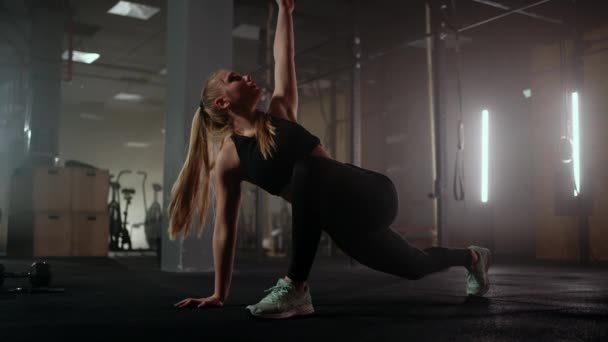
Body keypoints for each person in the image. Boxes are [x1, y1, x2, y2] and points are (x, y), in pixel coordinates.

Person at [170, 0, 491, 319]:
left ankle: (295, 288)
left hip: (370, 194)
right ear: (223, 102)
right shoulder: (230, 160)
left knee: (306, 170)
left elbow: (284, 57)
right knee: (415, 266)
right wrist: (218, 294)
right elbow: (225, 229)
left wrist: (285, 11)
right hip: (345, 225)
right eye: (234, 77)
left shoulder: (280, 112)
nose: (246, 77)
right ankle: (472, 257)